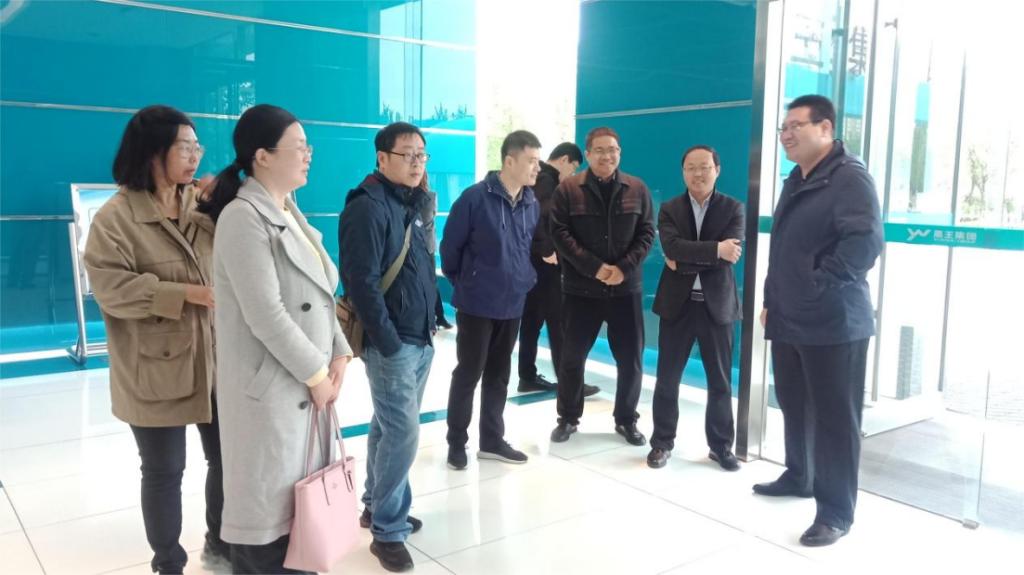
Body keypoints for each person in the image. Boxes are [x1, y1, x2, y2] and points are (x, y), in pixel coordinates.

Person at [199, 104, 352, 573]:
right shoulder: (242, 217)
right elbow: (265, 313)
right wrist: (316, 375)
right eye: (298, 147)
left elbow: (320, 294)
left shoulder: (289, 210)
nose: (308, 155)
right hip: (272, 394)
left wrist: (340, 352)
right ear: (262, 156)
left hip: (305, 386)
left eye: (308, 147)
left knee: (301, 521)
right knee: (269, 534)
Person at [84, 105, 227, 574]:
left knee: (227, 459)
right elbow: (111, 289)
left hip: (214, 359)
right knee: (165, 470)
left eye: (197, 147)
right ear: (152, 152)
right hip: (154, 367)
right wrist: (185, 294)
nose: (195, 156)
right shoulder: (115, 218)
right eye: (184, 147)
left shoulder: (200, 205)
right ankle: (168, 561)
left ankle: (220, 543)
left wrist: (223, 196)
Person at [756, 94, 883, 547]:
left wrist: (817, 285)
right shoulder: (797, 178)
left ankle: (835, 512)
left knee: (834, 419)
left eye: (796, 126)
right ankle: (801, 475)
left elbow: (864, 242)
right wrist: (773, 298)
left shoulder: (848, 177)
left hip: (834, 320)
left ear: (826, 128)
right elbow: (783, 249)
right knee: (793, 403)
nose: (786, 135)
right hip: (790, 315)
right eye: (783, 128)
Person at [338, 121, 436, 573]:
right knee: (403, 432)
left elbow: (421, 265)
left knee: (387, 425)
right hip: (393, 342)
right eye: (407, 154)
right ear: (382, 158)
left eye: (421, 155)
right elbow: (360, 282)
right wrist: (389, 342)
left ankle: (376, 505)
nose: (416, 163)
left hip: (420, 335)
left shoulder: (410, 202)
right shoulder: (368, 206)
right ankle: (388, 531)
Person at [440, 130, 542, 469]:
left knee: (499, 374)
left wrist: (525, 278)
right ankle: (457, 442)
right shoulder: (474, 199)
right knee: (469, 372)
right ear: (509, 161)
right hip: (477, 303)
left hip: (513, 302)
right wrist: (467, 281)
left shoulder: (531, 202)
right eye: (531, 161)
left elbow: (526, 247)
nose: (537, 168)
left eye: (538, 161)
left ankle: (492, 440)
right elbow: (450, 249)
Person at [549, 126, 655, 446]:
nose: (606, 156)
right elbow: (560, 233)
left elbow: (647, 233)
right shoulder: (568, 189)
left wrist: (623, 268)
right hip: (581, 291)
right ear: (588, 153)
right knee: (571, 358)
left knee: (631, 360)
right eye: (599, 150)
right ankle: (568, 418)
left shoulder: (637, 188)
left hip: (625, 290)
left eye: (612, 150)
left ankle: (626, 419)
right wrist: (594, 268)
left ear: (619, 153)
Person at [647, 145, 745, 471]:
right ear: (683, 172)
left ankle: (721, 447)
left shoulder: (733, 208)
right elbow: (672, 247)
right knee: (667, 379)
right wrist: (715, 250)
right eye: (691, 167)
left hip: (717, 308)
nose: (697, 173)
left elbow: (729, 256)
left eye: (704, 167)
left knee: (720, 382)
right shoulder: (670, 208)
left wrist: (686, 257)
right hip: (678, 306)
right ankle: (662, 443)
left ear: (717, 170)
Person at [516, 142, 599, 399]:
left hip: (532, 265)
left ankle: (527, 376)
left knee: (532, 321)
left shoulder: (539, 178)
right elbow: (539, 217)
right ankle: (569, 384)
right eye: (573, 168)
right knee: (560, 324)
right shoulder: (547, 180)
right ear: (564, 160)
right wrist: (547, 249)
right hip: (545, 265)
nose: (572, 174)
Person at [418, 170, 453, 329]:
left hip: (422, 246)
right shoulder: (431, 196)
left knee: (428, 283)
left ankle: (435, 318)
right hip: (428, 246)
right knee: (431, 282)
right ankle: (438, 317)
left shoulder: (422, 198)